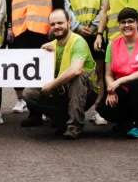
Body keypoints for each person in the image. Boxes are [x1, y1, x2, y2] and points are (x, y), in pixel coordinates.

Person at [9, 0, 65, 128]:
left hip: (43, 32)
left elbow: (58, 2)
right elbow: (12, 1)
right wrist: (11, 27)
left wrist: (56, 28)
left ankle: (49, 112)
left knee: (46, 74)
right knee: (28, 74)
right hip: (21, 30)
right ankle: (34, 113)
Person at [24, 9, 100, 139]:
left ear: (69, 23)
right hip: (63, 91)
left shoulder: (78, 42)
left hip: (86, 92)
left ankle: (75, 126)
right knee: (29, 93)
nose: (56, 27)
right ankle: (62, 120)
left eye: (60, 23)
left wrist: (51, 86)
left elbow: (76, 69)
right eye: (53, 24)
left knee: (78, 76)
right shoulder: (50, 46)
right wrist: (42, 54)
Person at [96, 7, 138, 139]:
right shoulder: (112, 44)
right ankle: (127, 123)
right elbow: (108, 74)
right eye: (123, 22)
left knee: (137, 84)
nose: (126, 25)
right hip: (123, 88)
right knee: (103, 107)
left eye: (130, 21)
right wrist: (112, 91)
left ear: (137, 23)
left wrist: (119, 81)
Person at [62, 0, 109, 126]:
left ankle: (99, 110)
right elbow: (67, 6)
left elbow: (106, 5)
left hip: (97, 33)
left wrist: (96, 26)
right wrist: (77, 26)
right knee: (75, 71)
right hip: (76, 33)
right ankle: (75, 109)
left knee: (99, 71)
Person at [6, 0, 27, 113]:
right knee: (16, 63)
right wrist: (9, 26)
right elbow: (7, 1)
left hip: (33, 24)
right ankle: (20, 99)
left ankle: (32, 98)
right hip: (14, 24)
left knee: (32, 63)